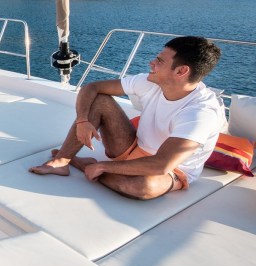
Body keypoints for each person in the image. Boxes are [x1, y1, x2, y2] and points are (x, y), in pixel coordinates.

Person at [29, 36, 225, 200]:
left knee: (143, 187)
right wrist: (82, 121)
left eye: (160, 61)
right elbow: (92, 88)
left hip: (170, 171)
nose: (152, 63)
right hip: (133, 148)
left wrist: (103, 165)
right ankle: (62, 161)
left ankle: (85, 164)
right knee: (100, 100)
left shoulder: (200, 113)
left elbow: (161, 164)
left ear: (181, 71)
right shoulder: (150, 81)